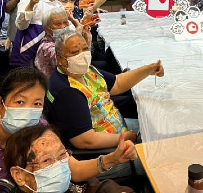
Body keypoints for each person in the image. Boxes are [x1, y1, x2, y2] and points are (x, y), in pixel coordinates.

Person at [44, 30, 163, 171]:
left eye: (85, 49)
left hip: (116, 128)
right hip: (107, 153)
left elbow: (117, 83)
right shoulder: (68, 91)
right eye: (75, 52)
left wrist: (148, 70)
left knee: (159, 129)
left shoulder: (85, 72)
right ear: (61, 59)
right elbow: (85, 140)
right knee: (160, 157)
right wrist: (124, 137)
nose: (82, 55)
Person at [4, 124, 136, 193]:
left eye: (62, 155)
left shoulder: (71, 186)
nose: (59, 166)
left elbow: (97, 187)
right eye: (46, 160)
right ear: (19, 175)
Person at [11, 0, 64, 67]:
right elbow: (21, 25)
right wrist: (31, 5)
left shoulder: (58, 4)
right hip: (29, 50)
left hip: (49, 52)